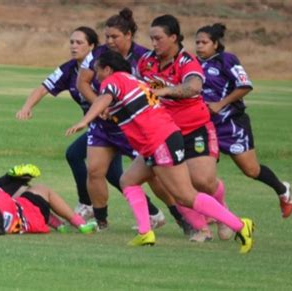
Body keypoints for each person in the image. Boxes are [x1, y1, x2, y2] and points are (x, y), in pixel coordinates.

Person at [66, 50, 255, 254]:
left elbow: (103, 98)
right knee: (128, 181)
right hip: (159, 139)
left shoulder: (113, 79)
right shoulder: (131, 79)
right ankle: (145, 233)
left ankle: (239, 225)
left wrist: (85, 120)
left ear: (108, 69)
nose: (96, 76)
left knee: (185, 196)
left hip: (159, 141)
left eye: (97, 71)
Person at [76, 8, 180, 231]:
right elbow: (82, 82)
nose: (109, 41)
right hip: (103, 125)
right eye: (107, 37)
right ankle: (101, 221)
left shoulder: (144, 57)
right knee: (94, 170)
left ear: (129, 36)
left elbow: (152, 90)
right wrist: (100, 105)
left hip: (133, 128)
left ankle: (180, 217)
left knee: (154, 176)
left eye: (115, 37)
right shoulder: (97, 55)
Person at [137, 15, 233, 242]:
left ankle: (223, 214)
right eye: (151, 39)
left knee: (203, 182)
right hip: (163, 132)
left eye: (158, 38)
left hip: (194, 127)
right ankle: (201, 229)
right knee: (170, 184)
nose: (153, 44)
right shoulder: (146, 61)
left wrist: (165, 91)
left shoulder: (186, 61)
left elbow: (193, 87)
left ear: (173, 37)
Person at [15, 26, 122, 221]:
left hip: (116, 127)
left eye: (79, 42)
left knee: (105, 169)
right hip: (97, 128)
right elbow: (43, 88)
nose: (74, 46)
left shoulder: (103, 64)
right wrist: (27, 107)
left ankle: (90, 205)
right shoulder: (69, 69)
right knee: (107, 171)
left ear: (92, 46)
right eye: (72, 42)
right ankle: (150, 213)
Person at [195, 23, 292, 219]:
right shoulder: (193, 63)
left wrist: (220, 104)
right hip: (204, 126)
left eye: (204, 42)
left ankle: (283, 189)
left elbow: (245, 85)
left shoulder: (227, 60)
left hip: (231, 123)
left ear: (215, 43)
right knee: (201, 173)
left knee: (251, 170)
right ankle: (213, 212)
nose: (199, 46)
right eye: (197, 42)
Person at [0, 183, 97, 234]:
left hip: (35, 223)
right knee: (43, 189)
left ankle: (58, 224)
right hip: (34, 207)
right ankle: (79, 223)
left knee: (22, 193)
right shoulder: (1, 202)